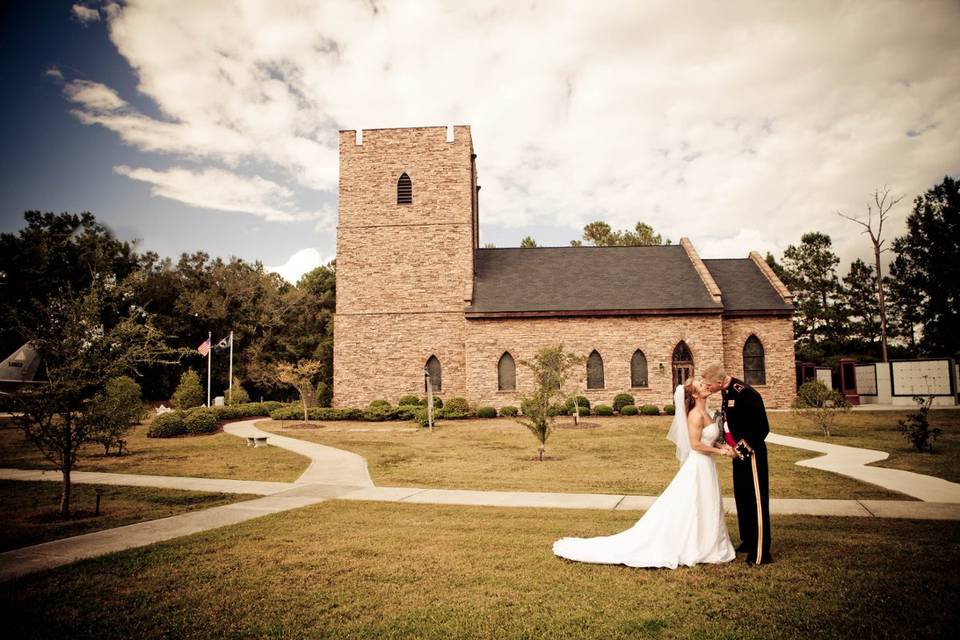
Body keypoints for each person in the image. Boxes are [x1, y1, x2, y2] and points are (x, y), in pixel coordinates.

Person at [552, 379, 736, 569]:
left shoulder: (705, 411)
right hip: (699, 465)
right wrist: (720, 452)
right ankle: (693, 545)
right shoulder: (695, 415)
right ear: (695, 395)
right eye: (701, 385)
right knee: (695, 503)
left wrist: (719, 445)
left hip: (706, 465)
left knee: (706, 503)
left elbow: (706, 439)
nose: (706, 385)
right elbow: (695, 445)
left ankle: (707, 543)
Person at [702, 363, 773, 565]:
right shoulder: (727, 392)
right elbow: (732, 424)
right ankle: (749, 540)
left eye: (709, 385)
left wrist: (739, 450)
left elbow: (761, 429)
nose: (707, 388)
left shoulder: (745, 394)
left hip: (752, 456)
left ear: (719, 381)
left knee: (756, 502)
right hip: (738, 456)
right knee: (743, 498)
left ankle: (760, 552)